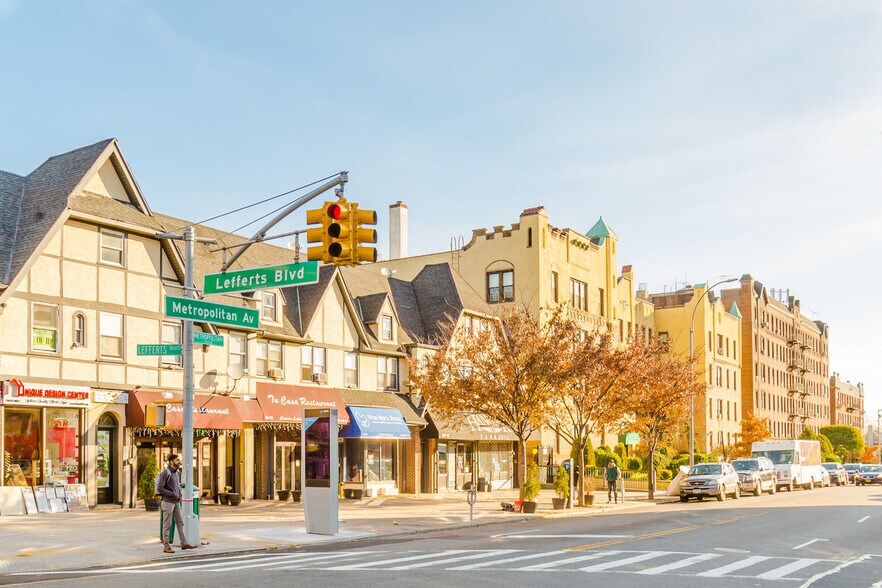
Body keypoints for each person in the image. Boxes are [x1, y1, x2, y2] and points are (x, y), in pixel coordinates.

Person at [158, 454, 198, 553]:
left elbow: (177, 486)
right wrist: (172, 494)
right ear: (171, 461)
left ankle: (184, 543)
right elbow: (160, 488)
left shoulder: (176, 472)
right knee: (167, 524)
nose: (179, 462)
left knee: (180, 522)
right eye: (177, 460)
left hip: (176, 502)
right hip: (167, 502)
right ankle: (166, 546)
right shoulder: (165, 473)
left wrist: (179, 495)